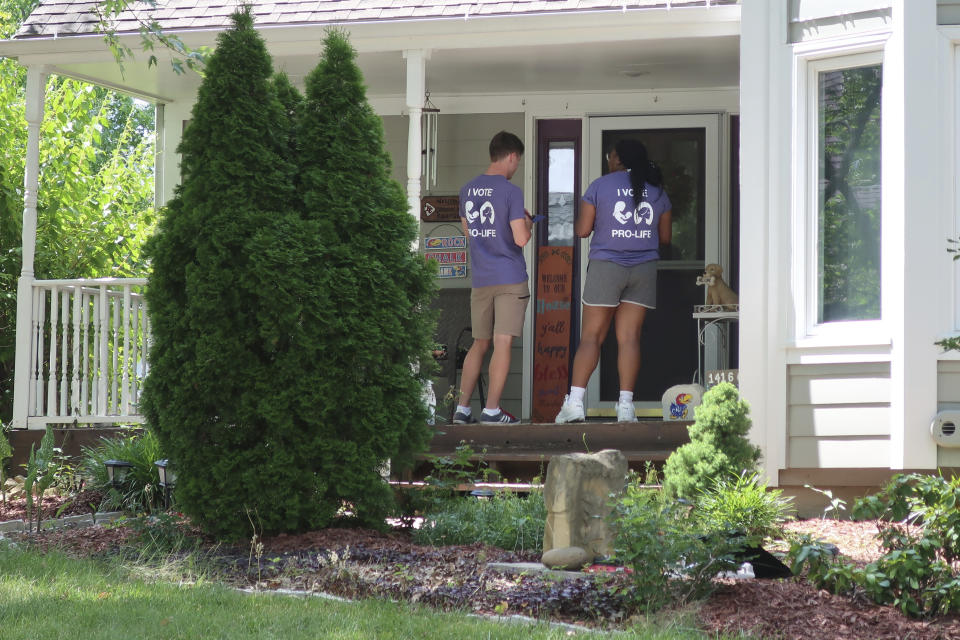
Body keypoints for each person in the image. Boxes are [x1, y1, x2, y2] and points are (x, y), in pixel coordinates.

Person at [555, 139, 672, 423]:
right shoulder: (657, 191)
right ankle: (626, 407)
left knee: (592, 337)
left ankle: (574, 405)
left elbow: (582, 230)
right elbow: (665, 238)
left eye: (611, 156)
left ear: (618, 159)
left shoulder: (600, 186)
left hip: (606, 266)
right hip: (643, 268)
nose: (609, 160)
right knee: (629, 338)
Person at [453, 131, 533, 425]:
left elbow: (469, 232)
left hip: (482, 278)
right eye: (518, 161)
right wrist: (528, 223)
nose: (516, 168)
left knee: (479, 342)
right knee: (502, 342)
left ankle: (462, 409)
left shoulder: (467, 190)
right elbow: (521, 239)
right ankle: (492, 410)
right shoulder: (511, 192)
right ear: (512, 156)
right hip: (509, 277)